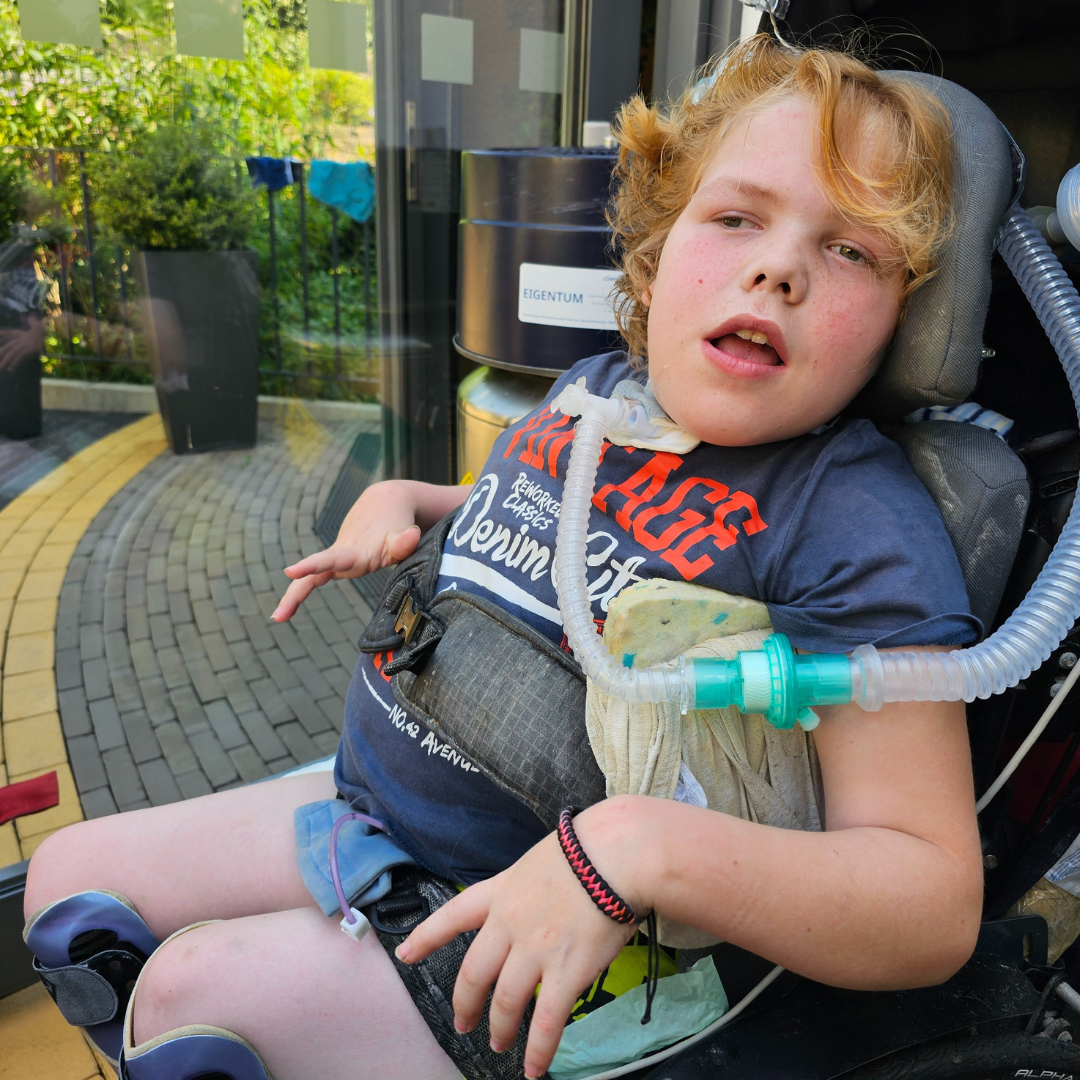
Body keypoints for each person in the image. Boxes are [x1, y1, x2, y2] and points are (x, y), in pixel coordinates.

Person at [23, 36, 984, 1080]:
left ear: (903, 317)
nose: (780, 266)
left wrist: (633, 851)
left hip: (562, 927)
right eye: (737, 217)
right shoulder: (600, 395)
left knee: (193, 1000)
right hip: (373, 806)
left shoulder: (852, 523)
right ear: (657, 249)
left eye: (851, 251)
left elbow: (929, 906)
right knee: (67, 885)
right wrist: (410, 499)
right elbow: (544, 532)